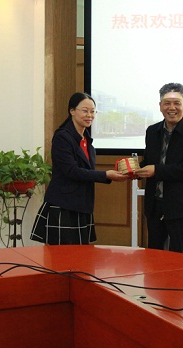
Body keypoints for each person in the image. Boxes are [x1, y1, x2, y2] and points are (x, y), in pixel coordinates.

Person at [31, 92, 128, 245]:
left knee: (81, 254)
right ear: (72, 111)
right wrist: (106, 175)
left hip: (82, 205)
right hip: (63, 205)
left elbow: (86, 171)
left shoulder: (87, 140)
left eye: (93, 111)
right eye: (85, 111)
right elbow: (72, 171)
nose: (89, 115)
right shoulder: (62, 137)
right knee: (62, 255)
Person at [134, 83, 183, 255]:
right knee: (155, 257)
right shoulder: (152, 131)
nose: (171, 107)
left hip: (182, 206)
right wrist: (135, 169)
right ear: (160, 106)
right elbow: (149, 161)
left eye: (177, 103)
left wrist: (156, 171)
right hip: (155, 206)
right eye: (167, 103)